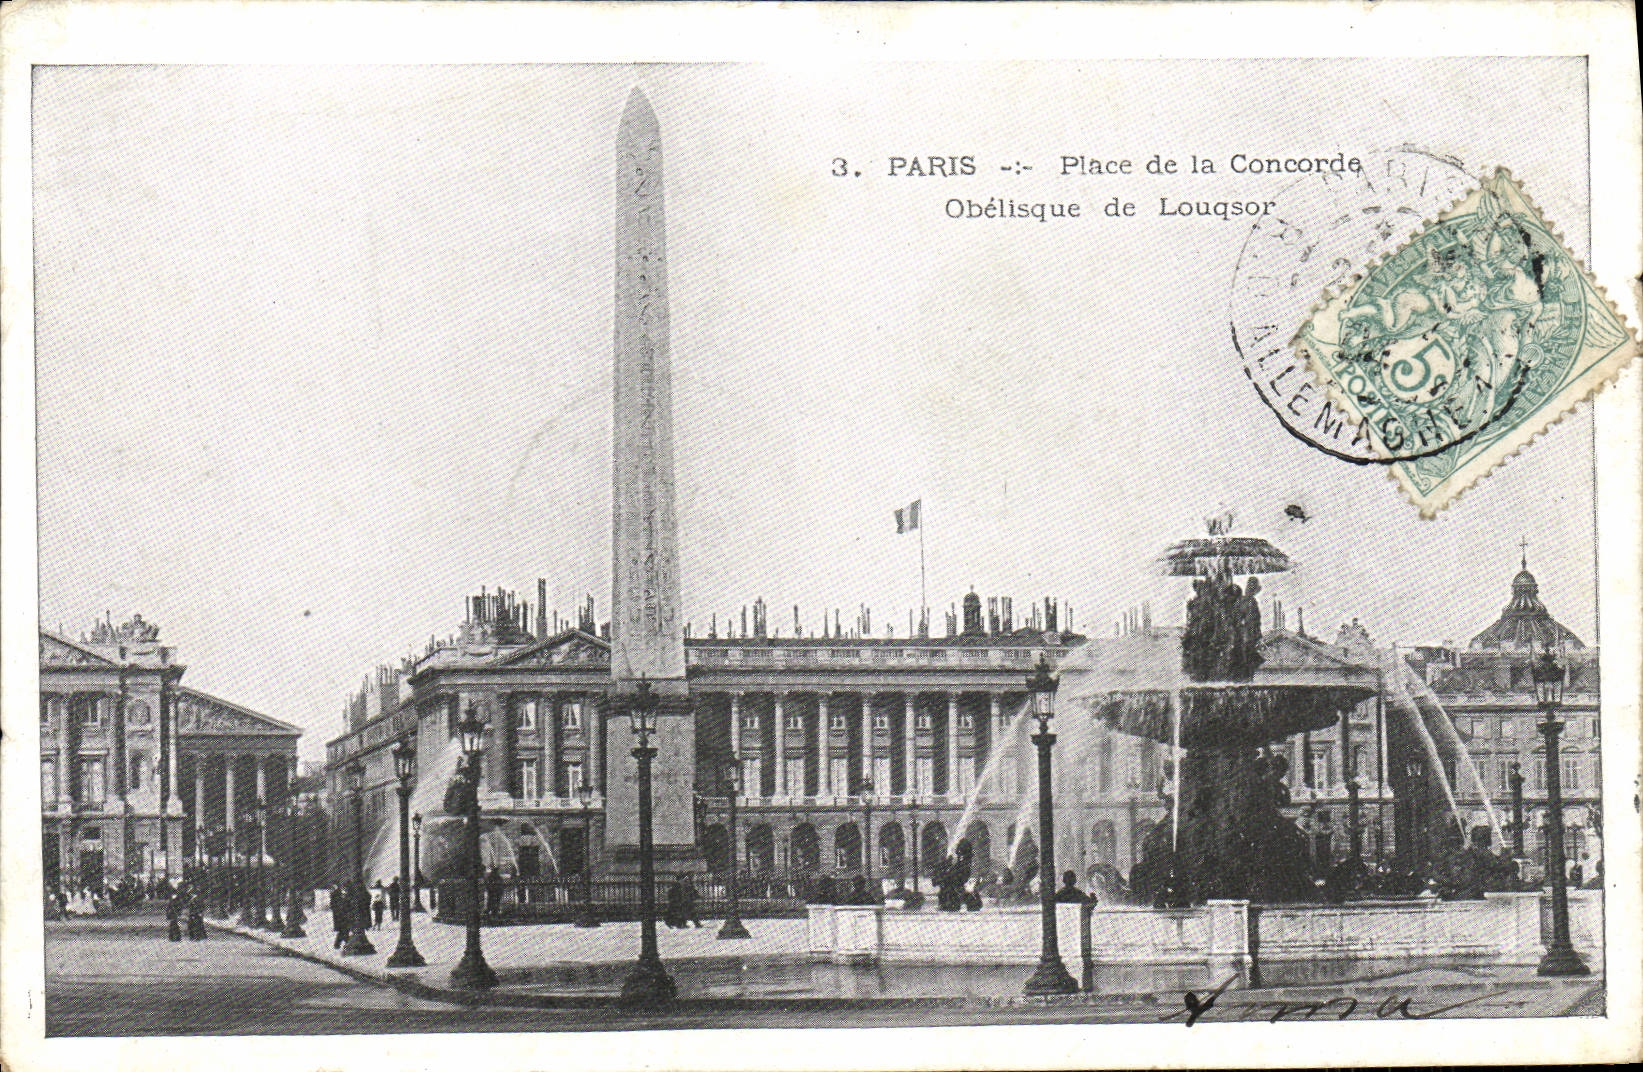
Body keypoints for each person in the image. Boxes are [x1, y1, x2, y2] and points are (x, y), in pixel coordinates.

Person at [329, 884, 351, 949]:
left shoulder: (337, 896)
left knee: (344, 931)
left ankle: (341, 944)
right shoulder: (339, 897)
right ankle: (343, 943)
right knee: (344, 930)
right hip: (343, 917)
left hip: (342, 916)